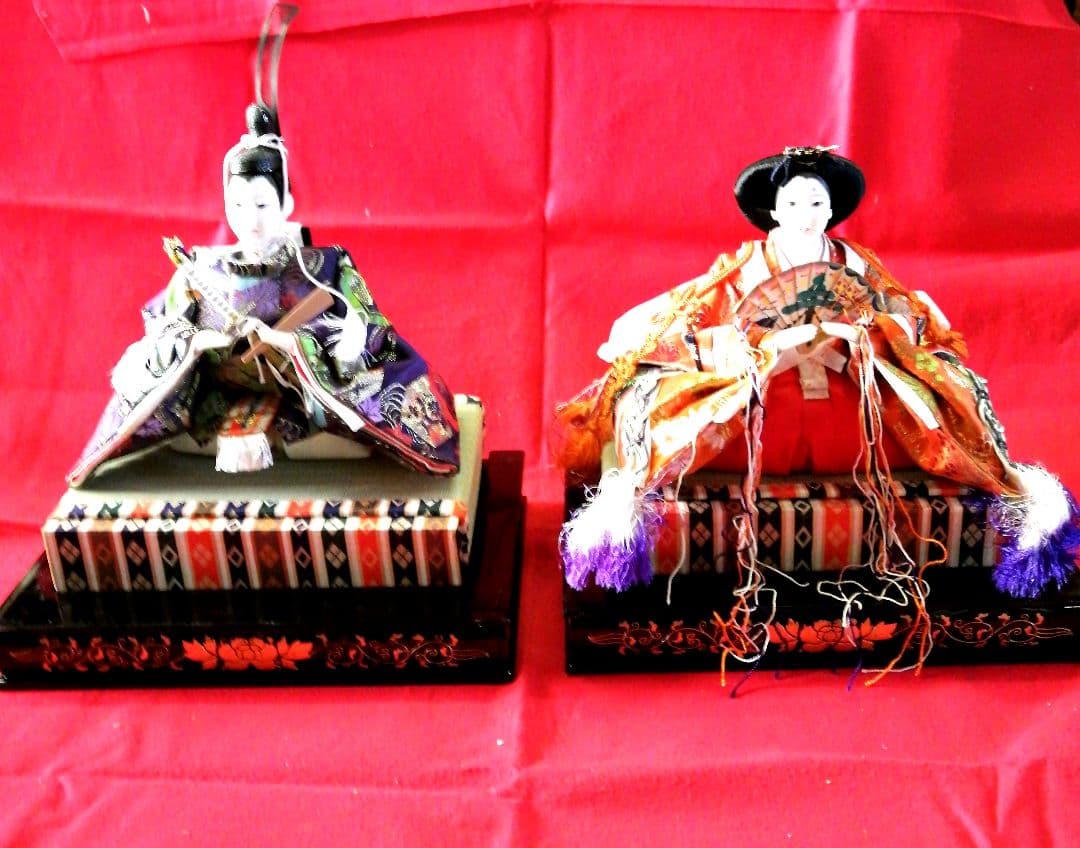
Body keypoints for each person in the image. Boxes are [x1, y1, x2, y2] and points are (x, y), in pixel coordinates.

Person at [555, 147, 1078, 619]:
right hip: (764, 399)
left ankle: (1013, 499)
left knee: (940, 415)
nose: (805, 215)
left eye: (816, 204)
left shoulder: (859, 267)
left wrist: (862, 337)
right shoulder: (742, 270)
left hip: (853, 396)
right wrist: (765, 350)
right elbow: (688, 327)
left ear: (832, 212)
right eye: (793, 203)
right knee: (674, 422)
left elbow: (914, 325)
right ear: (773, 210)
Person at [68, 12, 458, 487]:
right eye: (237, 204)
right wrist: (194, 344)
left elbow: (373, 331)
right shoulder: (199, 270)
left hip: (305, 403)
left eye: (261, 204)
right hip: (218, 400)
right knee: (184, 427)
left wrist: (313, 342)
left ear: (287, 203)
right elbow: (162, 327)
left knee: (346, 437)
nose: (249, 217)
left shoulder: (324, 267)